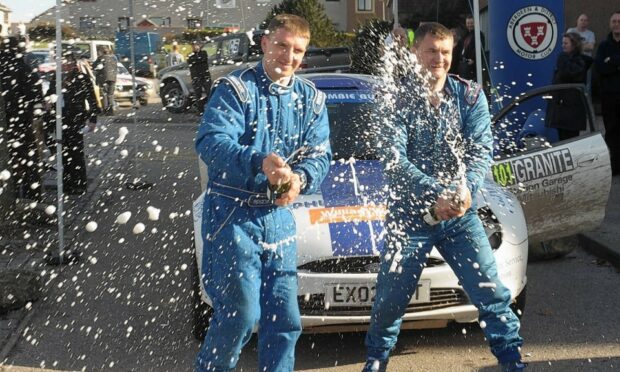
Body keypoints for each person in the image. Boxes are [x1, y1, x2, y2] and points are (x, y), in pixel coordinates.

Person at [363, 23, 526, 372]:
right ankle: (376, 360)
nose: (440, 59)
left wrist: (465, 189)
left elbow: (480, 149)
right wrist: (436, 193)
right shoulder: (396, 98)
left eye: (446, 52)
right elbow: (393, 160)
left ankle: (512, 361)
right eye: (432, 51)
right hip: (409, 216)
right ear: (415, 53)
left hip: (459, 216)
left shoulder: (469, 96)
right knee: (391, 299)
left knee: (490, 291)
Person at [194, 14, 331, 372]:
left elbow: (321, 156)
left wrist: (300, 180)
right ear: (265, 43)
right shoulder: (236, 89)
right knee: (240, 315)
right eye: (282, 45)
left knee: (285, 320)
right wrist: (258, 162)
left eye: (298, 50)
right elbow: (210, 142)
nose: (289, 56)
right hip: (232, 215)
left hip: (279, 220)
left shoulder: (312, 99)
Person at [45, 51, 99, 195]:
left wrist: (93, 119)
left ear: (72, 63)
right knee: (63, 153)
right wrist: (48, 102)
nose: (63, 65)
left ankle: (79, 184)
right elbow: (48, 96)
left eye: (66, 62)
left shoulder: (82, 77)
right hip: (59, 119)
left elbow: (92, 99)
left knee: (76, 152)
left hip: (75, 118)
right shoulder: (55, 78)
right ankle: (68, 184)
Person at [0, 36, 45, 201]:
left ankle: (9, 196)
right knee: (28, 159)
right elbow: (36, 96)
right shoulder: (24, 68)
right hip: (21, 121)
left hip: (6, 122)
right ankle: (31, 194)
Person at [545, 33, 593, 141]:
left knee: (570, 140)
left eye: (566, 43)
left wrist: (562, 59)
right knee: (563, 139)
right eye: (562, 43)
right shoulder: (568, 60)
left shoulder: (578, 62)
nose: (563, 46)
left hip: (570, 110)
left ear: (574, 45)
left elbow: (567, 74)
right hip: (561, 110)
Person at [595, 11, 620, 176]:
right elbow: (600, 68)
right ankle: (614, 165)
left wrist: (612, 61)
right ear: (610, 24)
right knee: (611, 131)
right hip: (609, 96)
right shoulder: (604, 46)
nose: (616, 23)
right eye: (614, 21)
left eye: (619, 21)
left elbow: (608, 65)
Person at [567, 14, 596, 95]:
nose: (583, 22)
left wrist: (576, 45)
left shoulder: (591, 34)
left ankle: (587, 104)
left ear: (588, 23)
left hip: (586, 63)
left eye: (585, 20)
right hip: (572, 62)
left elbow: (591, 47)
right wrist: (584, 45)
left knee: (587, 84)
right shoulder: (571, 31)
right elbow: (568, 46)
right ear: (577, 21)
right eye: (581, 20)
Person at [454, 15, 485, 80]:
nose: (469, 25)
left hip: (472, 65)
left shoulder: (479, 34)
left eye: (471, 23)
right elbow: (459, 47)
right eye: (468, 23)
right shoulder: (465, 35)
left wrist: (473, 59)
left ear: (475, 23)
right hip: (462, 64)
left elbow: (480, 48)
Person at [187, 41, 212, 115]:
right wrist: (196, 59)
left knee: (209, 93)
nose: (195, 47)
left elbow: (203, 60)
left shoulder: (203, 53)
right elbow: (191, 61)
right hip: (196, 77)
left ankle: (210, 108)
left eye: (196, 45)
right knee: (198, 94)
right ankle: (200, 110)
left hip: (205, 76)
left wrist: (196, 59)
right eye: (193, 46)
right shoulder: (190, 55)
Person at [93, 46, 117, 115]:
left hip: (104, 78)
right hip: (113, 78)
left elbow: (94, 66)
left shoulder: (101, 58)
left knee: (104, 94)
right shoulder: (113, 58)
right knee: (111, 94)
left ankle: (105, 110)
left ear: (102, 52)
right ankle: (111, 110)